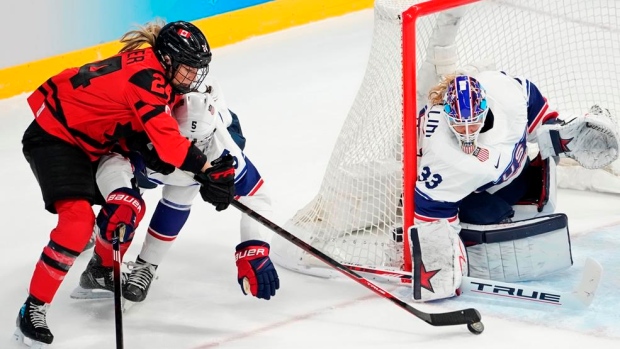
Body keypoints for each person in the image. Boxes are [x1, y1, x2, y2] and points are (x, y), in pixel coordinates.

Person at [14, 20, 236, 348]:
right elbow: (172, 146)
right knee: (77, 225)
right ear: (168, 60)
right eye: (189, 69)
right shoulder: (147, 80)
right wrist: (209, 167)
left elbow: (133, 119)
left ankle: (100, 272)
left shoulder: (155, 69)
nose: (194, 77)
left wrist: (150, 145)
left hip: (91, 139)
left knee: (125, 208)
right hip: (56, 139)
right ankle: (32, 309)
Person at [409, 10, 619, 302]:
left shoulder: (509, 94)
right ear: (447, 114)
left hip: (507, 176)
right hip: (469, 194)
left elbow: (539, 118)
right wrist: (436, 266)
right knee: (491, 215)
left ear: (485, 105)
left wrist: (560, 133)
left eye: (474, 120)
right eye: (459, 122)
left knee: (538, 177)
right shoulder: (445, 158)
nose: (467, 129)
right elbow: (429, 209)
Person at [73, 78, 279, 305]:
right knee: (121, 190)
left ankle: (147, 265)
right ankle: (97, 226)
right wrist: (118, 200)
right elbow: (109, 160)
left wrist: (255, 247)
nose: (191, 148)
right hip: (152, 144)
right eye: (184, 141)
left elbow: (257, 197)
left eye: (198, 144)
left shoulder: (224, 150)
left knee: (181, 192)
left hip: (188, 145)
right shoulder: (146, 119)